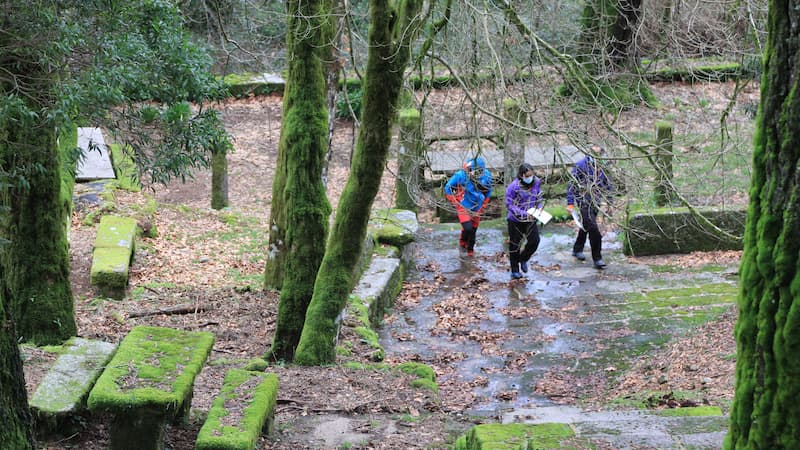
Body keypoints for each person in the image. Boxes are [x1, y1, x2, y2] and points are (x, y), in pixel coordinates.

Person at [566, 144, 613, 269]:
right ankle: (597, 258)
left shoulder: (604, 166)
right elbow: (571, 184)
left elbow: (608, 185)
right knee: (594, 229)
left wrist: (610, 202)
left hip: (595, 202)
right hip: (583, 201)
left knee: (586, 225)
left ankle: (577, 249)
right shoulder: (581, 165)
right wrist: (570, 203)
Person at [444, 156, 493, 256]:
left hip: (477, 205)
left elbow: (488, 191)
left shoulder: (487, 176)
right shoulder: (461, 175)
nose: (471, 172)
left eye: (474, 170)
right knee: (468, 228)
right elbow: (447, 187)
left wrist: (483, 205)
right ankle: (462, 242)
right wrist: (454, 201)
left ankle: (470, 250)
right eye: (470, 170)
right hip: (463, 204)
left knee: (473, 229)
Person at [505, 163, 543, 279]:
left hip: (531, 218)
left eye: (531, 174)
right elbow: (509, 204)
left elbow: (538, 197)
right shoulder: (513, 187)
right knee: (515, 244)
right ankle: (515, 270)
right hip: (516, 219)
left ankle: (524, 258)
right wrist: (523, 214)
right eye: (527, 175)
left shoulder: (536, 182)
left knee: (535, 241)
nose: (530, 177)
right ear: (522, 175)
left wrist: (539, 207)